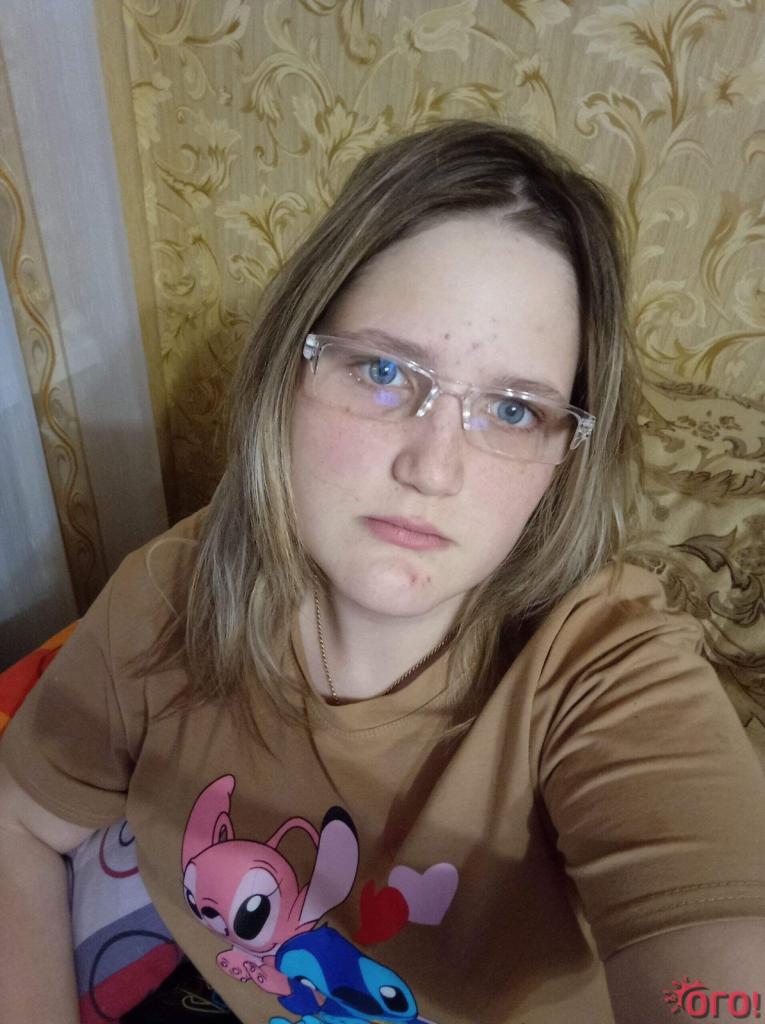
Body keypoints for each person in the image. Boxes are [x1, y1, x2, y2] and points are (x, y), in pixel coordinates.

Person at [1, 120, 764, 1024]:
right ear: (289, 367)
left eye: (513, 411)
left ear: (565, 454)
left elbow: (721, 973)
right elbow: (18, 823)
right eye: (382, 370)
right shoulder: (166, 595)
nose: (432, 469)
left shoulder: (605, 672)